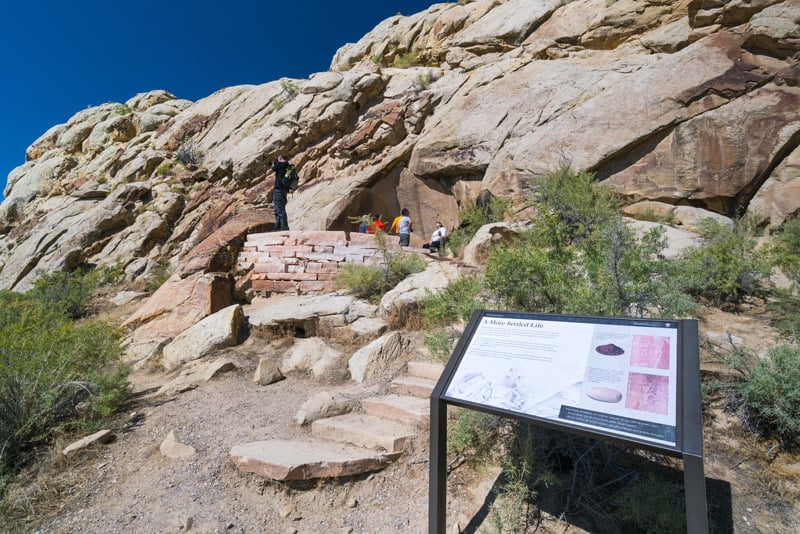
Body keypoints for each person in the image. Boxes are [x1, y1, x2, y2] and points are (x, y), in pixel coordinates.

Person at [265, 154, 291, 231]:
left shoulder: (280, 164)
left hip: (279, 189)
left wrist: (273, 165)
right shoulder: (288, 166)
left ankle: (283, 227)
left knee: (278, 208)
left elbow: (268, 172)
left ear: (280, 158)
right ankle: (279, 226)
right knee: (281, 207)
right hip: (284, 190)